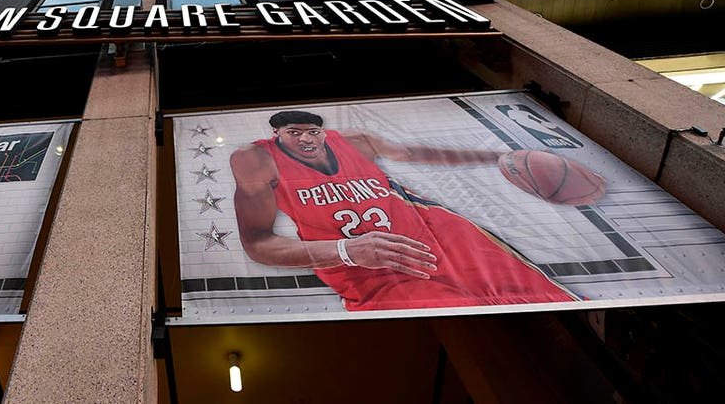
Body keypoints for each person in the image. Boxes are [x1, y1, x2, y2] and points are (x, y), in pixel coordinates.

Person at [229, 111, 579, 312]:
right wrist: (345, 250)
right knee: (471, 333)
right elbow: (257, 243)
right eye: (294, 133)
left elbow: (416, 154)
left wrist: (497, 156)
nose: (306, 139)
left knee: (555, 304)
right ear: (276, 134)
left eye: (312, 132)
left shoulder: (354, 141)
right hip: (370, 272)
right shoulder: (255, 159)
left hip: (445, 238)